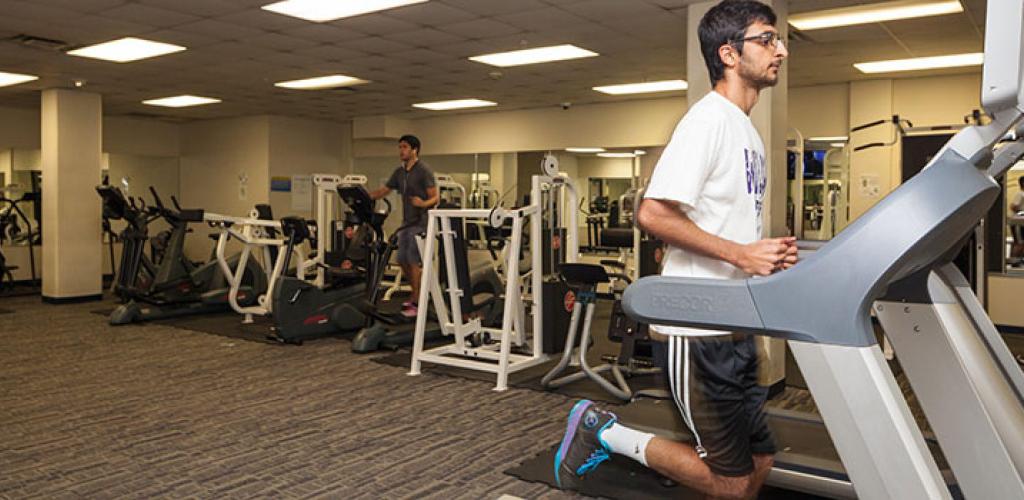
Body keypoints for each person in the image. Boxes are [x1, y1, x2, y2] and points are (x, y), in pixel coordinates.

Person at [553, 2, 798, 499]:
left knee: (762, 459)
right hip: (697, 330)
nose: (782, 50)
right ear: (729, 53)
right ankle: (603, 430)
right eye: (768, 39)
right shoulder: (707, 121)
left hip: (736, 326)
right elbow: (653, 214)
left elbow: (723, 223)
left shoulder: (747, 130)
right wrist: (740, 254)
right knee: (731, 484)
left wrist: (762, 255)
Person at [368, 135, 438, 318]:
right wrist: (364, 196)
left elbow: (435, 197)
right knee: (401, 259)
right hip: (407, 223)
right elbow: (385, 190)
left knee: (413, 260)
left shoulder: (424, 170)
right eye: (400, 147)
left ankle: (417, 298)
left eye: (405, 147)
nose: (401, 151)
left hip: (422, 222)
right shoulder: (400, 173)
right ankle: (417, 292)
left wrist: (422, 203)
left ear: (415, 150)